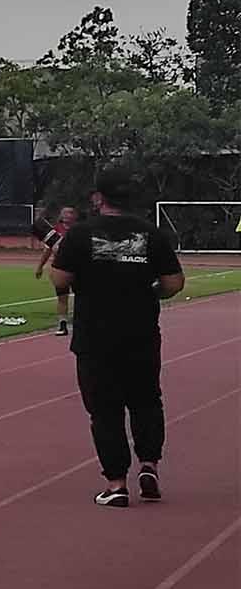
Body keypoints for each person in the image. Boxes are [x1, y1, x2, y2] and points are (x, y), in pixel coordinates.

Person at [51, 168, 184, 508]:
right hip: (140, 333)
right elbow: (174, 284)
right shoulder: (152, 234)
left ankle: (116, 484)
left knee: (105, 411)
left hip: (95, 337)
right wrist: (149, 291)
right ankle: (149, 464)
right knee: (146, 401)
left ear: (99, 197)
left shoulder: (80, 234)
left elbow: (61, 279)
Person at [35, 205, 80, 336]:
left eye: (70, 213)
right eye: (64, 213)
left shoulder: (80, 230)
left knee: (81, 296)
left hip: (78, 268)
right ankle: (63, 324)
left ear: (75, 215)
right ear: (61, 215)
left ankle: (80, 322)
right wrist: (40, 266)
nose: (67, 215)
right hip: (60, 268)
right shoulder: (55, 231)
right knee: (62, 297)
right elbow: (47, 250)